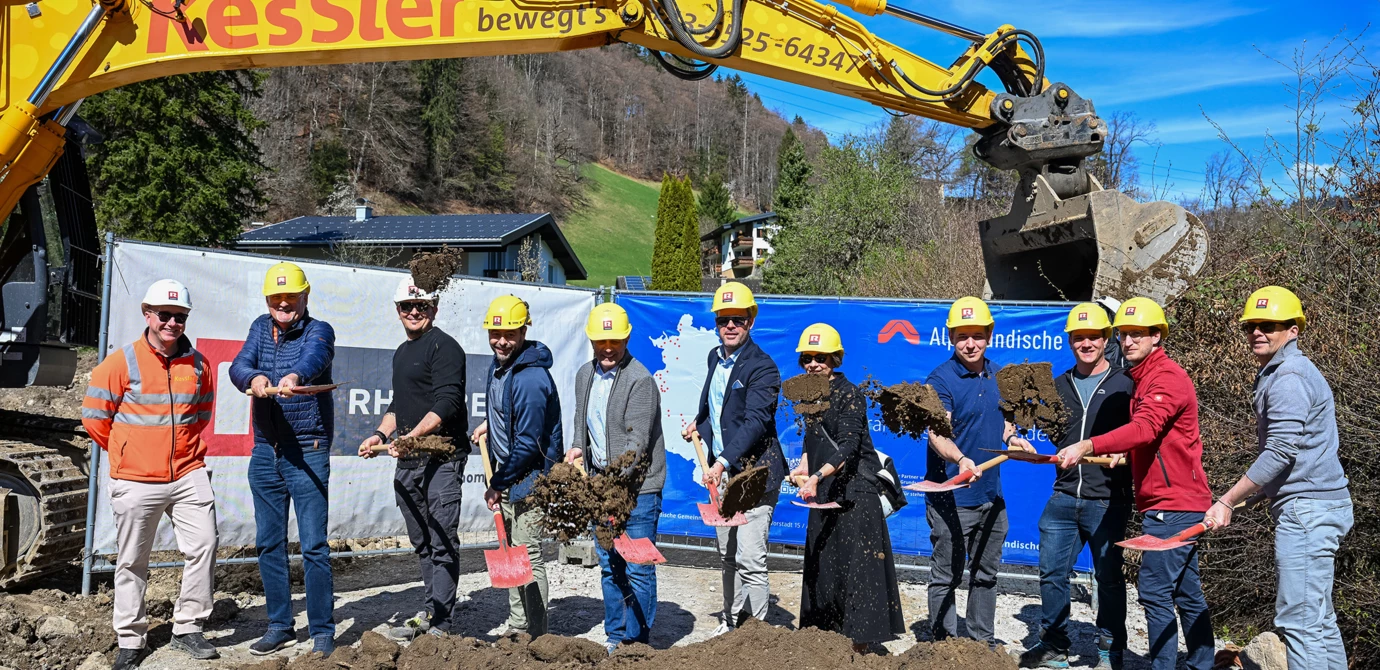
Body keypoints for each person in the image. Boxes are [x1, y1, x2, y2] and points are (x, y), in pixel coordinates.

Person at [1056, 297, 1214, 670]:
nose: (1128, 342)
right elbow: (1161, 441)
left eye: (1138, 334)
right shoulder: (1142, 377)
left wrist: (1089, 444)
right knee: (1187, 592)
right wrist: (1125, 455)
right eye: (1124, 334)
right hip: (1172, 501)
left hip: (1174, 503)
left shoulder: (1166, 377)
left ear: (1157, 336)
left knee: (1156, 590)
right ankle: (1202, 664)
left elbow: (1145, 428)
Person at [1204, 286, 1351, 670]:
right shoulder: (1289, 372)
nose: (1257, 332)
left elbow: (1281, 452)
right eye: (1252, 325)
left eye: (1268, 325)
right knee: (1319, 619)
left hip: (1308, 513)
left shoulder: (1288, 377)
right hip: (1319, 506)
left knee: (1299, 623)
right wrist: (1248, 497)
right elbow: (1295, 457)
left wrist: (1227, 499)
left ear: (1293, 329)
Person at [83, 280, 219, 670]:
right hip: (136, 478)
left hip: (188, 471)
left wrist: (179, 452)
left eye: (180, 316)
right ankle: (130, 638)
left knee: (205, 546)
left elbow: (203, 414)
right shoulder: (120, 362)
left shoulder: (199, 364)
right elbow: (94, 419)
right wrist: (129, 454)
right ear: (148, 315)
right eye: (165, 315)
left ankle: (188, 626)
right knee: (132, 560)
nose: (172, 323)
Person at [229, 261, 337, 656]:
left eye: (291, 297)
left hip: (307, 449)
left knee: (314, 546)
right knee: (268, 543)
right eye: (277, 298)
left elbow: (314, 359)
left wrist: (293, 378)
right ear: (268, 301)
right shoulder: (261, 326)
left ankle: (323, 630)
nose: (284, 304)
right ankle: (280, 624)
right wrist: (253, 379)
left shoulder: (319, 330)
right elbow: (239, 364)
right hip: (265, 450)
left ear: (305, 297)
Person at [1020, 304, 1133, 670]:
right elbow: (1031, 426)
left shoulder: (1125, 384)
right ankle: (1054, 643)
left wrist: (1125, 451)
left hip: (1108, 499)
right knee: (1052, 572)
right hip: (1065, 495)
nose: (1086, 343)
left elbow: (1143, 433)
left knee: (1109, 577)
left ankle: (1109, 650)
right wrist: (1015, 436)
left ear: (1106, 340)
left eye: (1094, 337)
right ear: (1070, 341)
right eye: (1079, 337)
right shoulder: (1058, 387)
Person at [358, 277, 469, 639]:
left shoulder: (445, 348)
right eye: (407, 306)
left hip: (442, 458)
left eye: (421, 306)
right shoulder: (402, 352)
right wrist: (380, 434)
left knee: (441, 537)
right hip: (408, 459)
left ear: (434, 308)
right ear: (397, 311)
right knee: (421, 540)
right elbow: (398, 405)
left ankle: (442, 622)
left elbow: (447, 403)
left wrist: (412, 437)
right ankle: (430, 609)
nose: (414, 312)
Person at [923, 296, 1033, 649]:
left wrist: (1015, 440)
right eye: (961, 336)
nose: (970, 343)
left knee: (986, 575)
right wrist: (961, 459)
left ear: (989, 335)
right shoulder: (939, 379)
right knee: (946, 576)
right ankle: (944, 649)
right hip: (951, 497)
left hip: (991, 498)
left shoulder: (1001, 376)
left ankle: (980, 646)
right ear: (950, 338)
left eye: (977, 335)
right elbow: (937, 432)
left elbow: (1006, 427)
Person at [789, 323, 905, 653]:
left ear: (836, 359)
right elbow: (813, 440)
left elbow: (847, 447)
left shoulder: (850, 394)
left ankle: (859, 650)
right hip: (824, 493)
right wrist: (803, 467)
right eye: (807, 358)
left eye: (820, 357)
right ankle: (823, 646)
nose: (813, 363)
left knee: (858, 575)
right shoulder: (808, 394)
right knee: (823, 570)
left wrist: (817, 476)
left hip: (856, 496)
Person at [681, 281, 786, 636]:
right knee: (727, 556)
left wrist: (722, 460)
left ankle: (754, 635)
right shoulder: (715, 357)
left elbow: (755, 422)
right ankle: (730, 625)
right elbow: (715, 408)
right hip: (723, 475)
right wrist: (699, 424)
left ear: (751, 321)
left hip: (755, 476)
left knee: (750, 559)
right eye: (723, 319)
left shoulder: (764, 368)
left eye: (737, 319)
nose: (730, 325)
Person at [564, 303, 666, 653]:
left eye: (615, 341)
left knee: (637, 567)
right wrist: (577, 449)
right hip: (600, 487)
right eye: (601, 341)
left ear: (626, 339)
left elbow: (636, 446)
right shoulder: (584, 375)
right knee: (610, 566)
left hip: (637, 491)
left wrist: (608, 485)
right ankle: (615, 635)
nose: (608, 348)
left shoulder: (641, 380)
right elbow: (582, 424)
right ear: (591, 340)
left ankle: (636, 643)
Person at [470, 295, 563, 637]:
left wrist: (497, 483)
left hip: (530, 479)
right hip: (510, 477)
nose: (501, 340)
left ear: (524, 331)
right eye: (495, 332)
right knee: (511, 551)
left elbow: (527, 444)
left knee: (529, 554)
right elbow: (506, 414)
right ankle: (517, 625)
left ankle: (537, 634)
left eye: (509, 333)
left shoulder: (530, 378)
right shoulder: (501, 367)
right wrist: (488, 425)